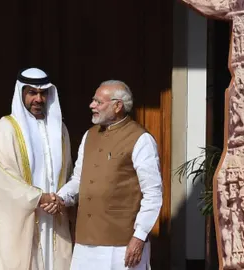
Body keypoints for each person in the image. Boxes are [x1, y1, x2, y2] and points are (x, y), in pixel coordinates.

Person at [55, 80, 163, 270]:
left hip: (121, 245)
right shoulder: (89, 135)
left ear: (117, 106)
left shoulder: (141, 139)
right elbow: (79, 179)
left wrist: (139, 237)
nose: (92, 106)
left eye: (98, 102)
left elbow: (153, 194)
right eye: (93, 101)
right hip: (85, 243)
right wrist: (61, 198)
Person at [0, 68, 73, 270]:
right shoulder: (7, 128)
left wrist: (59, 199)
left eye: (43, 93)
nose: (38, 99)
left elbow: (68, 174)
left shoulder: (60, 130)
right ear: (21, 93)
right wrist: (39, 198)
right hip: (21, 220)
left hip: (54, 220)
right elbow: (4, 178)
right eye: (32, 92)